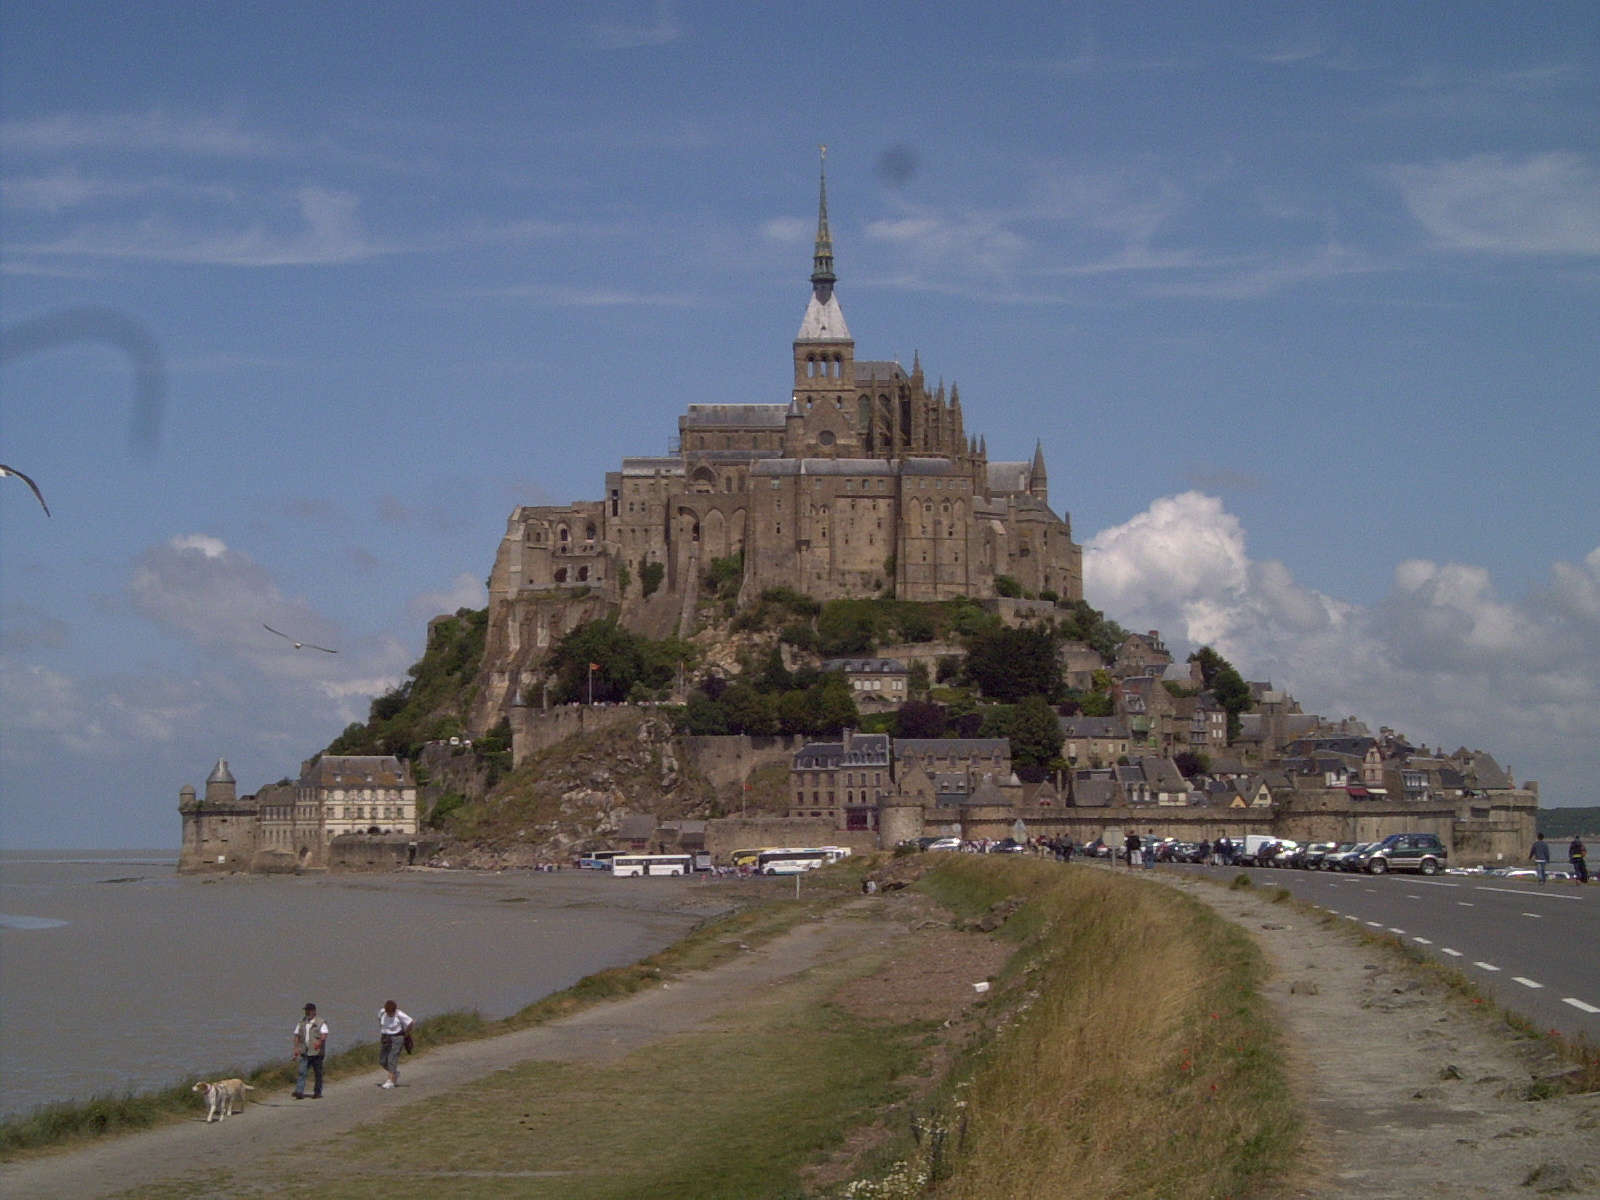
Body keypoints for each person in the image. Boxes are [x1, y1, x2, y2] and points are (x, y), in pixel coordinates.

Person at [292, 1002, 327, 1100]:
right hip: (305, 1051)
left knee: (318, 1072)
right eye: (306, 1010)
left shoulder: (321, 1022)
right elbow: (297, 1035)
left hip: (317, 1053)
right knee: (302, 1071)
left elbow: (324, 1034)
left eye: (309, 1010)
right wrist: (296, 1048)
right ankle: (299, 1091)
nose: (307, 1012)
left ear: (314, 1011)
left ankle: (317, 1092)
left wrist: (320, 1043)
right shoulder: (302, 1022)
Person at [377, 1000, 413, 1089]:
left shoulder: (399, 1014)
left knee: (392, 1058)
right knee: (382, 1060)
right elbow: (379, 1019)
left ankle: (390, 1081)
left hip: (397, 1038)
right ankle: (394, 1073)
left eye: (391, 1013)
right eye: (388, 1013)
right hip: (386, 1037)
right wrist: (383, 1030)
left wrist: (406, 1033)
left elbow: (411, 1022)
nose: (390, 1015)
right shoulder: (382, 1012)